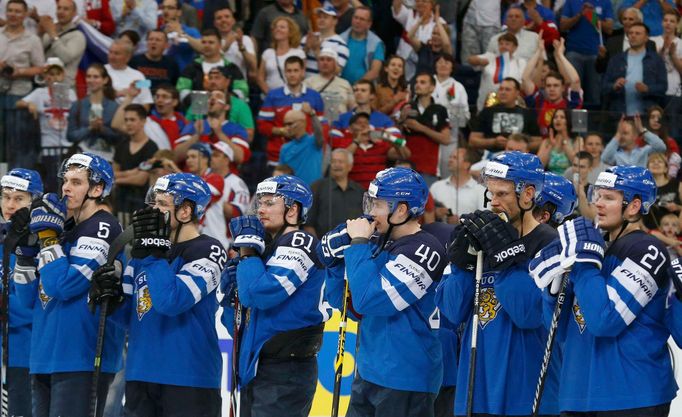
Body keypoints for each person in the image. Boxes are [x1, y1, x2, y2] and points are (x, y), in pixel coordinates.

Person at [531, 166, 677, 416]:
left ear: (633, 206)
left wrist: (585, 265)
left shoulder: (647, 250)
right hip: (578, 393)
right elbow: (558, 330)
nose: (598, 204)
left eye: (609, 198)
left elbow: (604, 321)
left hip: (631, 394)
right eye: (596, 195)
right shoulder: (593, 245)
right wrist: (553, 290)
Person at [436, 151, 559, 416]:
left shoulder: (550, 243)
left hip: (523, 391)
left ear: (528, 194)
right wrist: (460, 266)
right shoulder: (483, 237)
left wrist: (506, 256)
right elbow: (453, 312)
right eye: (491, 194)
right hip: (475, 387)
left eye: (502, 194)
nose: (494, 202)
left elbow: (529, 315)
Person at [319, 167, 447, 416]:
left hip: (407, 377)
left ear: (401, 210)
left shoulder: (424, 249)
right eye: (369, 202)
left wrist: (357, 246)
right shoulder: (377, 243)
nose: (369, 212)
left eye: (377, 204)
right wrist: (334, 264)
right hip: (368, 372)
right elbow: (350, 308)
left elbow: (372, 300)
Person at [96, 173, 226, 415]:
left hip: (189, 376)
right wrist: (109, 300)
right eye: (153, 203)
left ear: (186, 211)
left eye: (162, 204)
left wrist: (155, 255)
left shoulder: (209, 250)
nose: (153, 211)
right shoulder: (142, 254)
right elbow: (131, 317)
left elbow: (171, 301)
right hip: (140, 373)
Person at [18, 153, 124, 417]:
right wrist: (24, 254)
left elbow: (63, 286)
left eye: (76, 182)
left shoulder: (103, 227)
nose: (66, 188)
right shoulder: (62, 228)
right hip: (45, 357)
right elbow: (28, 299)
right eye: (65, 181)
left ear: (97, 188)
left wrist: (47, 239)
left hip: (82, 358)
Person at [225, 175, 330, 416]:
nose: (261, 209)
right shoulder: (268, 248)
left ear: (292, 210)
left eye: (270, 203)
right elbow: (235, 319)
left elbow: (260, 296)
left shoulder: (300, 241)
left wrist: (248, 254)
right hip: (258, 365)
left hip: (287, 371)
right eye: (259, 203)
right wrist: (232, 294)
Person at [1, 168, 43, 417]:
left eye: (19, 198)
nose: (10, 204)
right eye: (6, 197)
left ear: (34, 201)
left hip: (25, 355)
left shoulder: (39, 243)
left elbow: (35, 306)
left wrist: (6, 309)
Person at [257, 55, 326, 168]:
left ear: (302, 72)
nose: (292, 74)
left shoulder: (314, 97)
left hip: (306, 156)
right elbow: (262, 126)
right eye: (289, 71)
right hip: (278, 157)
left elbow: (322, 128)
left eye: (296, 70)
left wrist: (311, 113)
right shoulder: (273, 96)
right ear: (284, 73)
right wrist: (281, 131)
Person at [0, 0, 46, 168]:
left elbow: (41, 68)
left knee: (17, 142)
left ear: (25, 14)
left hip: (19, 94)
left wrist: (18, 72)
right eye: (10, 10)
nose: (13, 14)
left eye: (18, 11)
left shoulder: (32, 39)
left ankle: (16, 182)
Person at [602, 22, 668, 116]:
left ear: (646, 38)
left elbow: (663, 87)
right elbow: (604, 86)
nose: (633, 36)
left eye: (637, 33)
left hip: (646, 115)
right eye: (630, 33)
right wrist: (614, 86)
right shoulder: (616, 60)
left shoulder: (656, 60)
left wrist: (647, 89)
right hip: (620, 115)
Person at [522, 37, 583, 136]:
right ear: (544, 88)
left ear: (563, 88)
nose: (552, 89)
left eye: (556, 85)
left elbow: (575, 80)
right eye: (548, 86)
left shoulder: (570, 103)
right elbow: (525, 78)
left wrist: (560, 55)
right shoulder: (539, 102)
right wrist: (539, 52)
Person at [397, 72, 450, 184]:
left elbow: (446, 139)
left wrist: (421, 128)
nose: (417, 85)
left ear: (432, 87)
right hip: (406, 167)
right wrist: (401, 121)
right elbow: (397, 135)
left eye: (422, 82)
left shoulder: (440, 110)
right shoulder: (407, 107)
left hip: (429, 170)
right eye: (416, 82)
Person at [560, 0, 614, 108]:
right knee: (573, 93)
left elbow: (609, 29)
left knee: (594, 95)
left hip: (595, 53)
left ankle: (594, 123)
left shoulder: (605, 2)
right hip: (573, 51)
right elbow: (562, 26)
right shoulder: (571, 2)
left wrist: (591, 15)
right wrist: (580, 14)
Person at [338, 112, 410, 189]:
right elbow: (341, 159)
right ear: (350, 129)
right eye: (359, 123)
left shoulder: (381, 144)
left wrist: (390, 140)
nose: (363, 125)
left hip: (377, 192)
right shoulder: (346, 144)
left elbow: (405, 155)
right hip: (353, 191)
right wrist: (357, 141)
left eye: (366, 123)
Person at [469, 78, 541, 153]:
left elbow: (538, 142)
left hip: (519, 156)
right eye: (501, 89)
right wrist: (493, 142)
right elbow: (472, 140)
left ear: (517, 93)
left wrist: (518, 145)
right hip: (492, 155)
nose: (503, 92)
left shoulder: (528, 114)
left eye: (507, 89)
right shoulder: (487, 112)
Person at [66, 63, 121, 162]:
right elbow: (70, 136)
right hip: (82, 159)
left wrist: (102, 129)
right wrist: (89, 128)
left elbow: (119, 137)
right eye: (88, 77)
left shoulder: (114, 107)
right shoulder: (77, 105)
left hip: (108, 159)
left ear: (105, 80)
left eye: (96, 77)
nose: (91, 80)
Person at [304, 148, 364, 238]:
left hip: (353, 246)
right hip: (322, 246)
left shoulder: (359, 190)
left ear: (350, 166)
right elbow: (308, 224)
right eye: (333, 161)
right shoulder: (317, 187)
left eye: (340, 161)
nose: (336, 165)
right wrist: (317, 247)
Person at [112, 103, 159, 216]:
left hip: (140, 203)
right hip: (120, 201)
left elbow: (140, 179)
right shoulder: (122, 145)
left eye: (132, 120)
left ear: (143, 121)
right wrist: (131, 173)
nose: (128, 123)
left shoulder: (151, 147)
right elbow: (113, 172)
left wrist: (116, 180)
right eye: (126, 120)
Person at [201, 141, 250, 250]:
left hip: (224, 241)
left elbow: (238, 214)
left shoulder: (237, 184)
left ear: (226, 160)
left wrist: (216, 196)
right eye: (212, 155)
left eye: (216, 155)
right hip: (201, 234)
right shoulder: (205, 177)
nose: (211, 158)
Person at [176, 27, 248, 101]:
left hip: (228, 110)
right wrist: (204, 102)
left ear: (220, 45)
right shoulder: (191, 67)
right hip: (198, 110)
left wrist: (222, 101)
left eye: (211, 42)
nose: (206, 45)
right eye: (203, 42)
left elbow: (242, 91)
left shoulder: (231, 68)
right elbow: (182, 91)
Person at [468, 33, 527, 112]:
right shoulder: (490, 57)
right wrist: (479, 61)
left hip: (511, 105)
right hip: (488, 103)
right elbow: (470, 60)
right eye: (501, 44)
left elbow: (522, 83)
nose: (503, 46)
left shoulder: (520, 62)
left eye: (507, 44)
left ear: (515, 47)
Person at [392, 0, 446, 80]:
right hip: (403, 62)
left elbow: (446, 46)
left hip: (425, 66)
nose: (420, 3)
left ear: (432, 4)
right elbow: (396, 7)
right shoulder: (410, 14)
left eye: (424, 1)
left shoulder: (439, 22)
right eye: (418, 1)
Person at [430, 147, 486, 224]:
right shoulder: (436, 186)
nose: (450, 160)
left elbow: (485, 219)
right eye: (450, 157)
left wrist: (462, 222)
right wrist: (435, 213)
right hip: (438, 233)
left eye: (455, 158)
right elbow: (424, 213)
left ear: (466, 164)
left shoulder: (480, 190)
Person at [39, 0, 85, 89]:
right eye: (59, 8)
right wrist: (40, 34)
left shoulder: (78, 36)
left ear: (74, 13)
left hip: (64, 87)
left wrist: (53, 35)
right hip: (44, 85)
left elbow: (66, 57)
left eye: (66, 9)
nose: (61, 12)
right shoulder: (49, 31)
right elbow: (39, 56)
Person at [255, 15, 306, 94]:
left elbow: (302, 76)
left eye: (282, 27)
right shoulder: (267, 53)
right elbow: (260, 78)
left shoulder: (299, 53)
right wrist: (270, 95)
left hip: (291, 96)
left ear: (290, 32)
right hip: (269, 97)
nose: (277, 29)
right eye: (276, 27)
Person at [652, 10, 682, 140]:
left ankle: (673, 157)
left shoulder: (680, 43)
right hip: (655, 90)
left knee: (673, 129)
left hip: (674, 92)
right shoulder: (653, 41)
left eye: (672, 21)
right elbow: (651, 67)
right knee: (654, 126)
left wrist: (673, 55)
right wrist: (663, 49)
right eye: (665, 20)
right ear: (661, 22)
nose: (668, 24)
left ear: (677, 24)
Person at [339, 7, 385, 84]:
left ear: (369, 24)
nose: (357, 21)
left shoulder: (376, 43)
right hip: (341, 89)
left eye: (362, 19)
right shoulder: (340, 39)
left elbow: (375, 72)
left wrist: (357, 86)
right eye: (355, 18)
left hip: (364, 90)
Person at [278, 108, 324, 185]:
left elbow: (319, 131)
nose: (286, 128)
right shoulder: (285, 148)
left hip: (314, 192)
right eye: (285, 125)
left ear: (302, 123)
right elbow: (280, 173)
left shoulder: (314, 142)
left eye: (290, 124)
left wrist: (312, 114)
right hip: (294, 193)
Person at [300, 6, 349, 76]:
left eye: (325, 17)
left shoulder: (341, 44)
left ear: (335, 21)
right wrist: (306, 48)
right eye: (319, 17)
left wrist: (317, 51)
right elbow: (295, 62)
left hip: (325, 86)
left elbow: (336, 72)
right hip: (306, 84)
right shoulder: (307, 38)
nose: (321, 20)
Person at [602, 114, 667, 167]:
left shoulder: (645, 151)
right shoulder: (616, 155)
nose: (621, 136)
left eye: (625, 133)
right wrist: (618, 134)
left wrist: (642, 130)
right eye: (620, 133)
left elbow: (661, 147)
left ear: (635, 136)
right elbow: (605, 158)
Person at [105, 40, 154, 106]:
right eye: (110, 52)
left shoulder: (139, 75)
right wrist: (118, 93)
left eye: (116, 53)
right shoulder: (100, 71)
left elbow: (146, 102)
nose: (112, 56)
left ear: (127, 57)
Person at [158, 0, 201, 72]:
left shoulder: (191, 31)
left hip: (184, 75)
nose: (165, 11)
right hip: (164, 74)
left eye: (170, 8)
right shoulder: (158, 32)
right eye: (163, 8)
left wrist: (182, 33)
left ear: (179, 12)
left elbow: (202, 48)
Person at [537, 108, 581, 174]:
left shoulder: (577, 140)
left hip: (570, 179)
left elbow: (577, 163)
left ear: (568, 121)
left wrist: (564, 141)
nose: (558, 119)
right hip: (550, 180)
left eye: (562, 117)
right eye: (555, 117)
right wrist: (551, 145)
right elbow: (539, 166)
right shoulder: (547, 142)